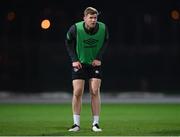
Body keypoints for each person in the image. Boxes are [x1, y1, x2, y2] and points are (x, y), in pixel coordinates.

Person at [65, 7, 109, 132]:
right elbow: (68, 42)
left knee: (95, 90)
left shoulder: (103, 28)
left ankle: (95, 124)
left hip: (94, 64)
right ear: (84, 18)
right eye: (91, 17)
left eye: (95, 17)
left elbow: (106, 41)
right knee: (78, 91)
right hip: (79, 64)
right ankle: (76, 124)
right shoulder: (75, 28)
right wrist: (74, 59)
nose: (93, 20)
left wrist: (99, 57)